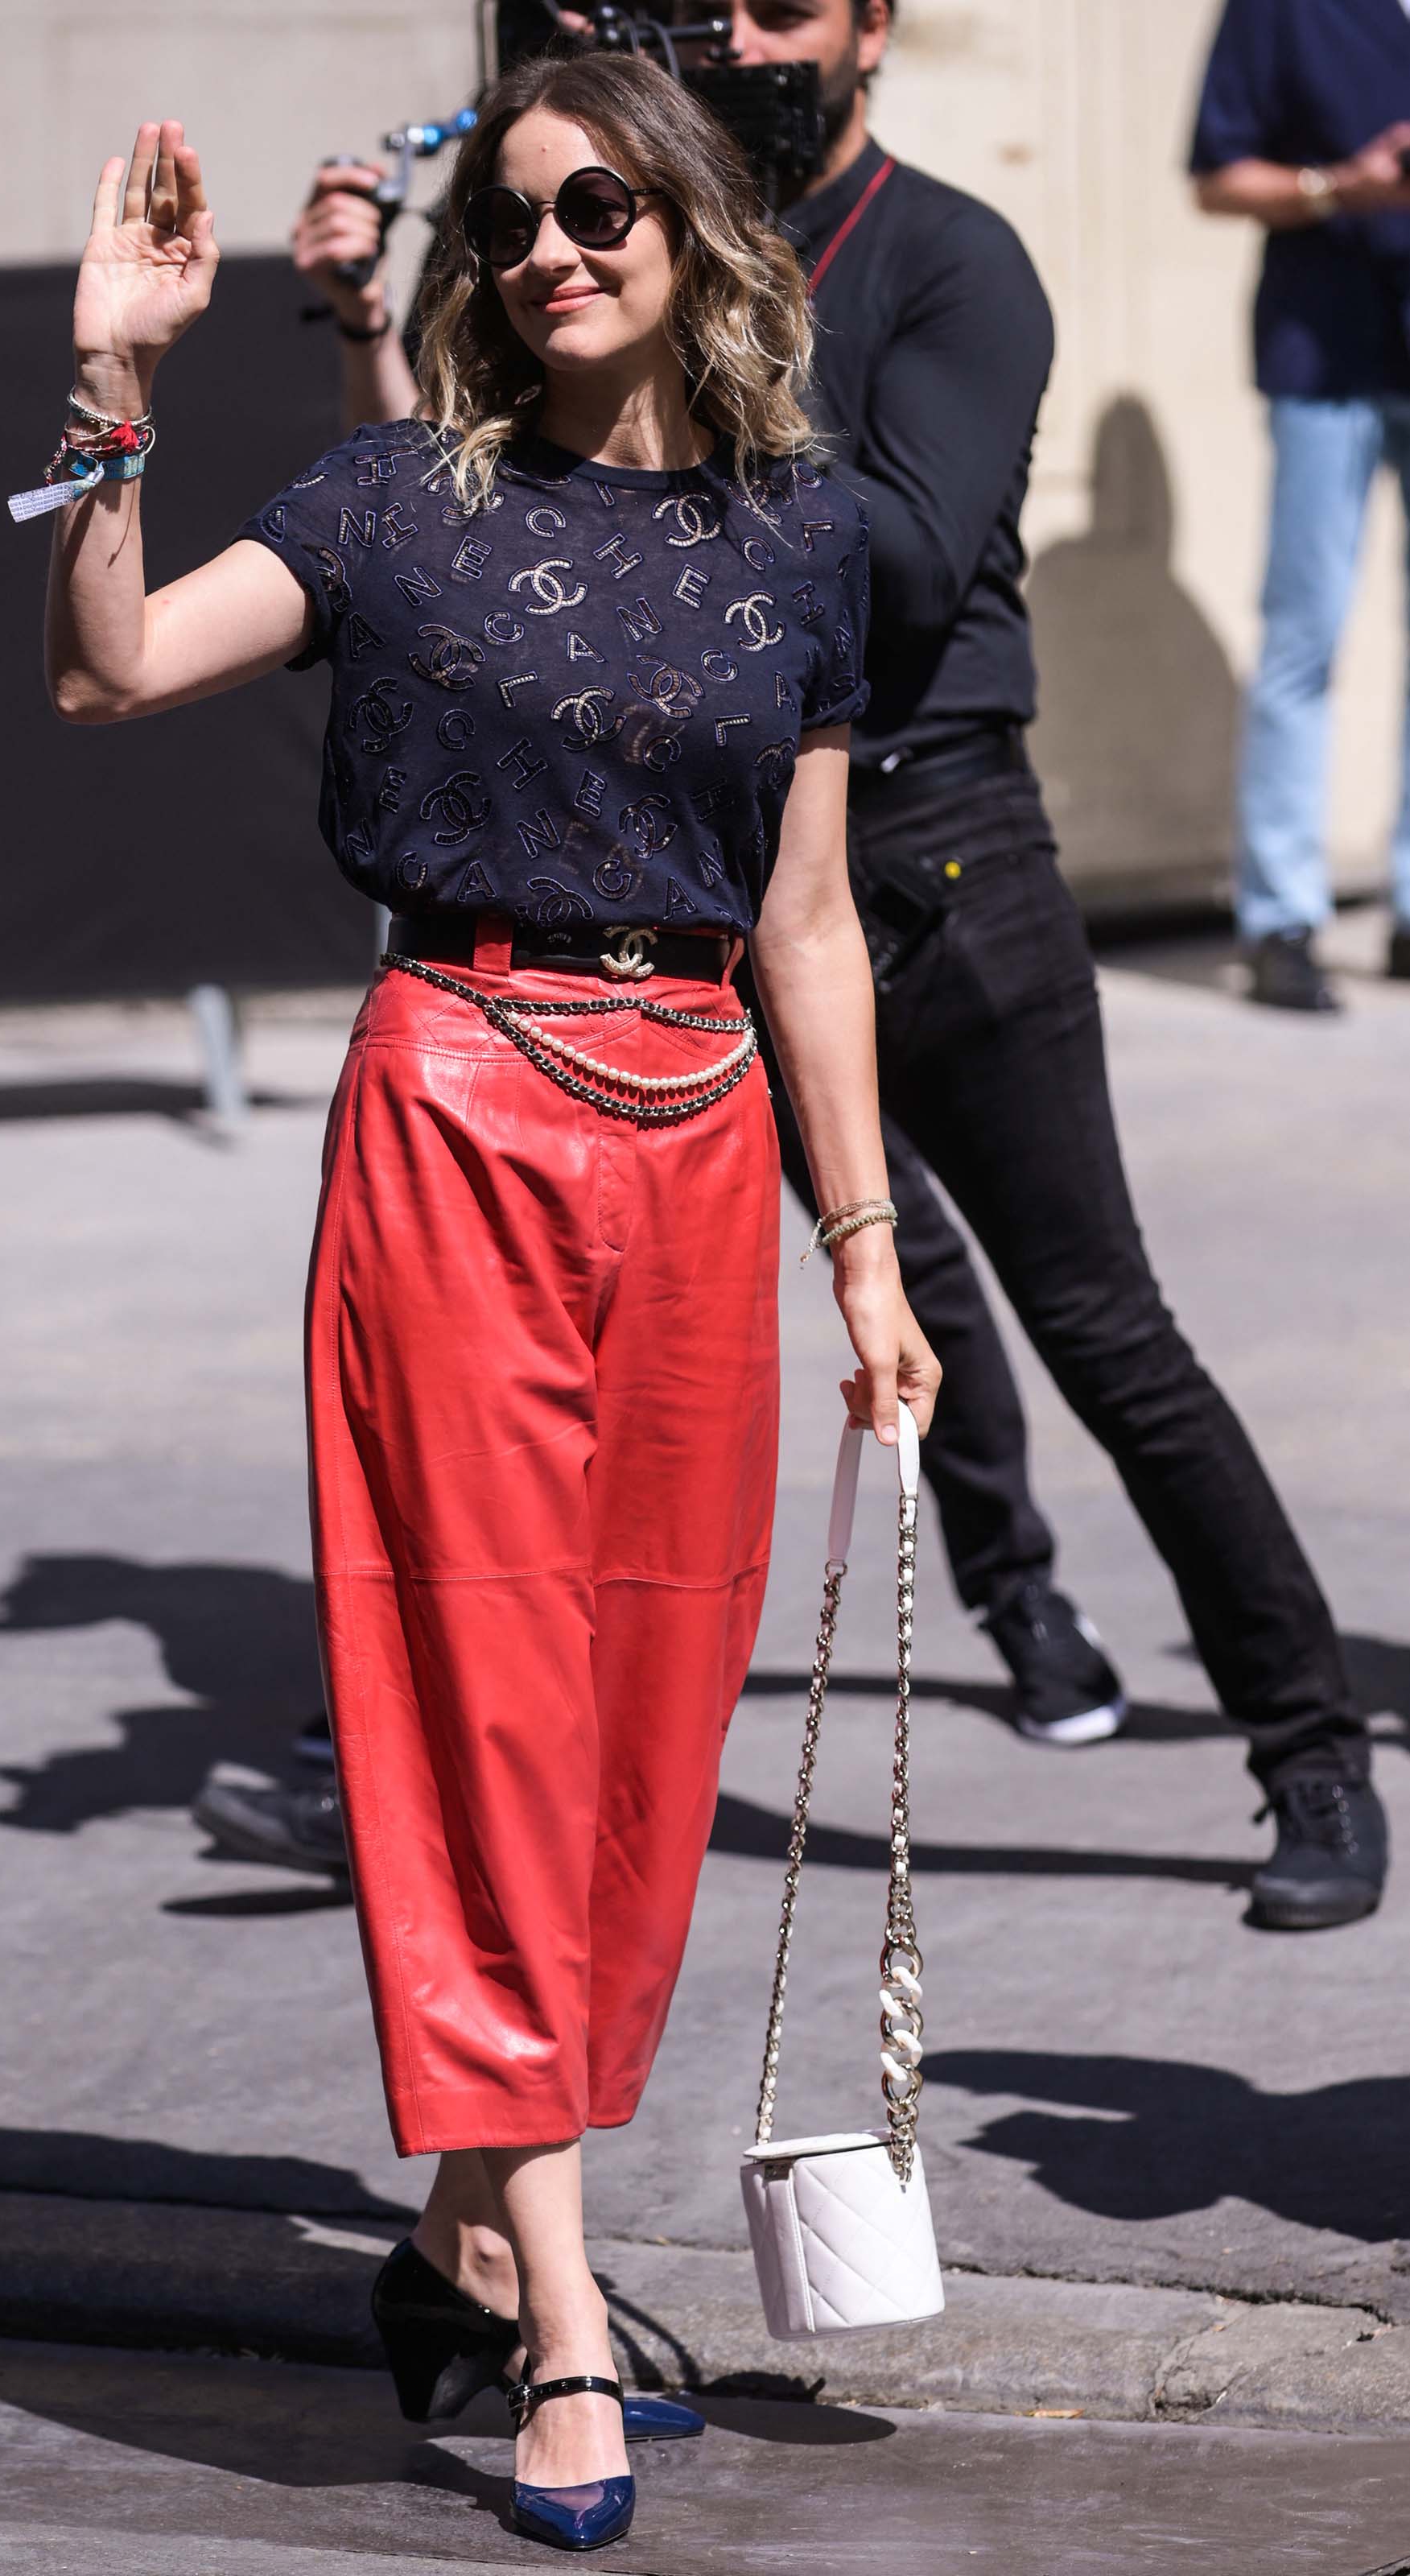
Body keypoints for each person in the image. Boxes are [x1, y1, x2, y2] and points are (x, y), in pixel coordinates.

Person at [43, 64, 938, 2551]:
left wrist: (862, 1250)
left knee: (649, 1708)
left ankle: (457, 2215)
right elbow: (108, 667)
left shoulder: (805, 543)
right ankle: (556, 2301)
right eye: (513, 213)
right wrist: (113, 382)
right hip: (451, 1106)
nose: (547, 243)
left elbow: (807, 924)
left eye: (597, 203)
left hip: (694, 1146)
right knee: (479, 1703)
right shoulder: (388, 504)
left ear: (688, 225)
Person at [280, 0, 1388, 1936]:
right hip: (722, 877)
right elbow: (463, 573)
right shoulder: (621, 264)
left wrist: (679, 379)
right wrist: (387, 327)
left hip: (942, 854)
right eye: (715, 11)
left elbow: (907, 561)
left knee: (1098, 1323)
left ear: (875, 27)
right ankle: (1021, 1610)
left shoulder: (947, 258)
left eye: (787, 6)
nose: (743, 40)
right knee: (889, 1273)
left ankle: (1309, 1745)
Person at [1190, 0, 1410, 1013]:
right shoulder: (1279, 8)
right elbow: (1216, 176)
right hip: (1322, 356)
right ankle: (1281, 915)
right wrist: (1342, 187)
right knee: (1304, 634)